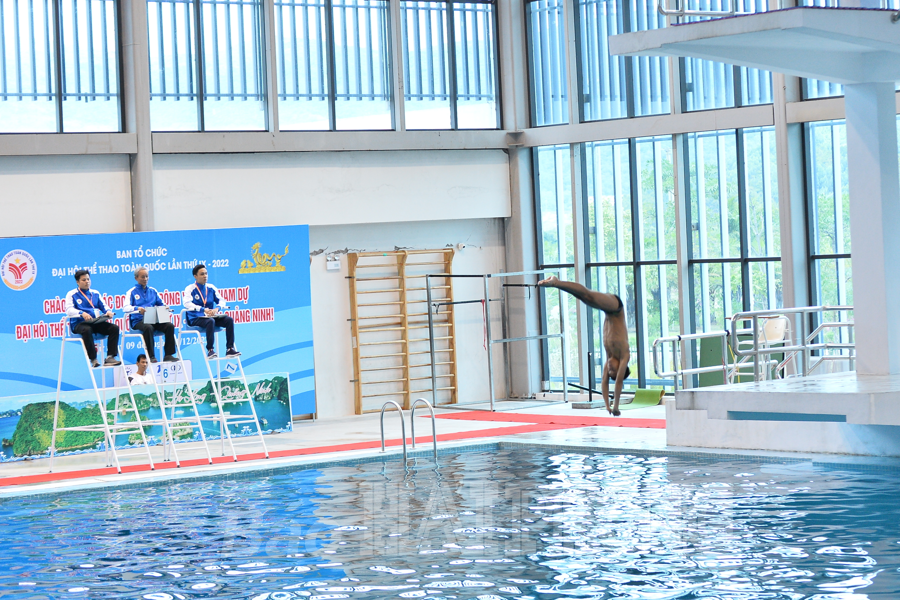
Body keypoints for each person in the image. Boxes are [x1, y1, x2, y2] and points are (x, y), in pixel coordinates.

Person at [537, 275, 631, 416]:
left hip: (608, 311)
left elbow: (604, 382)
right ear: (621, 370)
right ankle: (556, 282)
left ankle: (557, 284)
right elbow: (618, 383)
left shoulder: (609, 358)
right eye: (614, 370)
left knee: (584, 298)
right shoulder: (624, 355)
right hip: (616, 308)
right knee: (588, 295)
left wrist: (607, 405)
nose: (610, 368)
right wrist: (616, 406)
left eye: (609, 371)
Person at [65, 269, 123, 368]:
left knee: (114, 328)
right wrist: (81, 313)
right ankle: (93, 359)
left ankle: (110, 357)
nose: (87, 281)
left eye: (88, 279)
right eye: (84, 280)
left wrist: (108, 311)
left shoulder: (95, 293)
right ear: (77, 282)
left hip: (95, 322)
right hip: (79, 324)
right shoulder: (72, 294)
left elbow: (104, 306)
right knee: (87, 329)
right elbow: (69, 310)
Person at [183, 264, 240, 359]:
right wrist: (202, 309)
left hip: (209, 317)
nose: (205, 276)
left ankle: (230, 349)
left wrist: (217, 309)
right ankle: (210, 350)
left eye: (206, 273)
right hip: (196, 318)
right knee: (210, 321)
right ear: (195, 276)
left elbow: (222, 300)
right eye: (202, 274)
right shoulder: (190, 288)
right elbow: (187, 303)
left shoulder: (211, 288)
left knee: (229, 320)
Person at [124, 267, 178, 363]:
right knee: (148, 327)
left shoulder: (153, 291)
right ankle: (151, 356)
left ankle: (168, 355)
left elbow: (161, 304)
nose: (145, 279)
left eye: (147, 276)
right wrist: (137, 309)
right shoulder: (131, 292)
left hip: (153, 319)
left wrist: (165, 307)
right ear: (136, 278)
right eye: (142, 277)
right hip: (138, 321)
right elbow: (125, 308)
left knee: (169, 326)